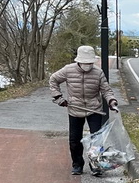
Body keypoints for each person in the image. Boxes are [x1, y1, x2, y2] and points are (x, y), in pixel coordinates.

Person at [49, 45, 118, 175]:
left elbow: (106, 90)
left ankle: (96, 165)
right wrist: (58, 97)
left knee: (96, 139)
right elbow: (53, 80)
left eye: (90, 63)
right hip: (75, 109)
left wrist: (111, 101)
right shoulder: (68, 70)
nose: (87, 65)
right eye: (85, 62)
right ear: (78, 61)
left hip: (94, 109)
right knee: (75, 139)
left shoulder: (98, 73)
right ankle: (77, 164)